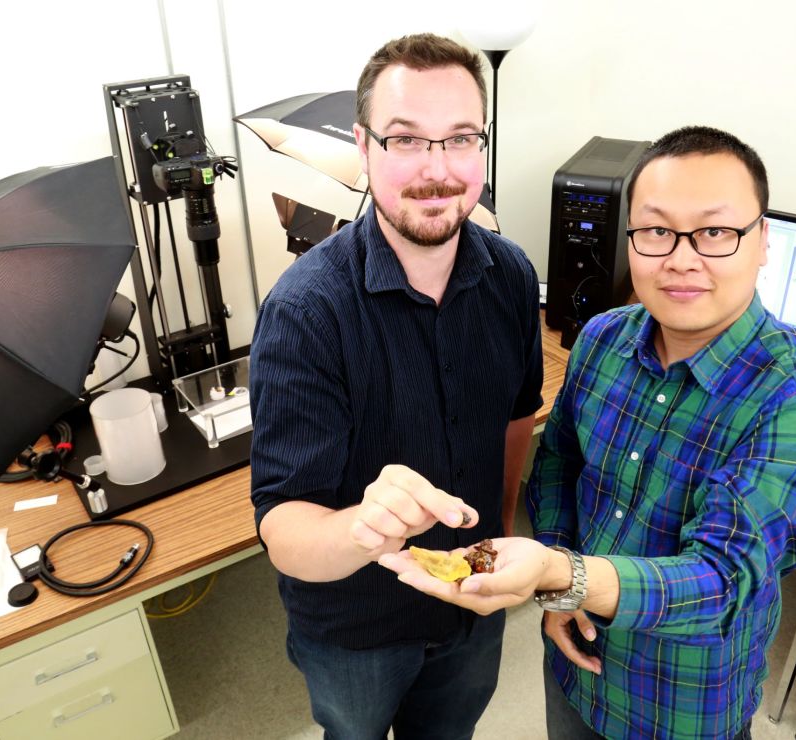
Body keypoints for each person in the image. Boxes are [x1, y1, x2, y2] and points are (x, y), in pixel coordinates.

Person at [381, 126, 796, 739]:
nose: (682, 259)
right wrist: (560, 584)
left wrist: (560, 576)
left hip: (677, 703)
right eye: (656, 231)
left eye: (715, 232)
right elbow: (559, 463)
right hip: (574, 667)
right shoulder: (603, 338)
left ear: (763, 242)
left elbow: (722, 578)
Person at [247, 33, 543, 739]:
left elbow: (515, 419)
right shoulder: (305, 312)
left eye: (460, 139)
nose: (436, 171)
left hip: (473, 597)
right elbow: (283, 528)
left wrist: (497, 532)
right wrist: (362, 526)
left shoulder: (511, 277)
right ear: (364, 145)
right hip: (358, 626)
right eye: (406, 140)